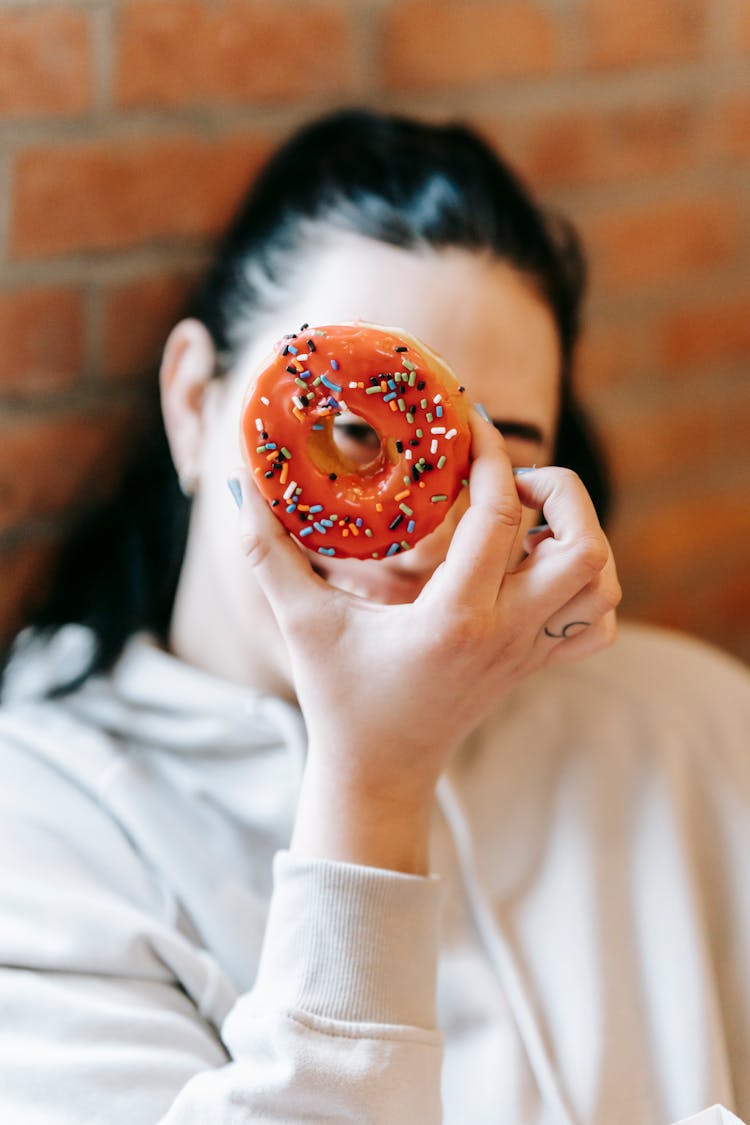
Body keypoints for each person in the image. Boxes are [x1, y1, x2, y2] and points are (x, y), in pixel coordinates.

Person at [1, 108, 748, 1125]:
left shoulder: (692, 726)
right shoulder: (39, 834)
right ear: (192, 402)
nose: (425, 534)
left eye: (499, 455)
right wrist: (374, 780)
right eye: (353, 434)